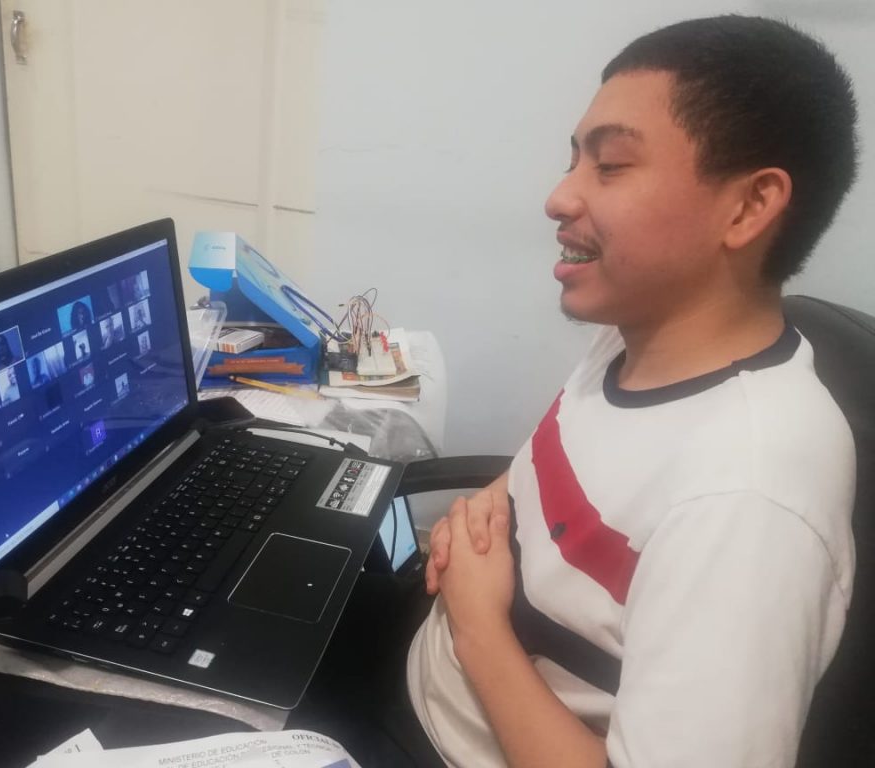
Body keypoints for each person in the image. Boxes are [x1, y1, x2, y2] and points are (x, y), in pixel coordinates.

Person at [289, 14, 859, 768]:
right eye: (573, 160)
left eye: (610, 165)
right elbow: (556, 473)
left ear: (749, 207)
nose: (559, 197)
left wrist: (477, 625)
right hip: (422, 652)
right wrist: (483, 512)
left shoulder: (747, 498)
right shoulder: (638, 334)